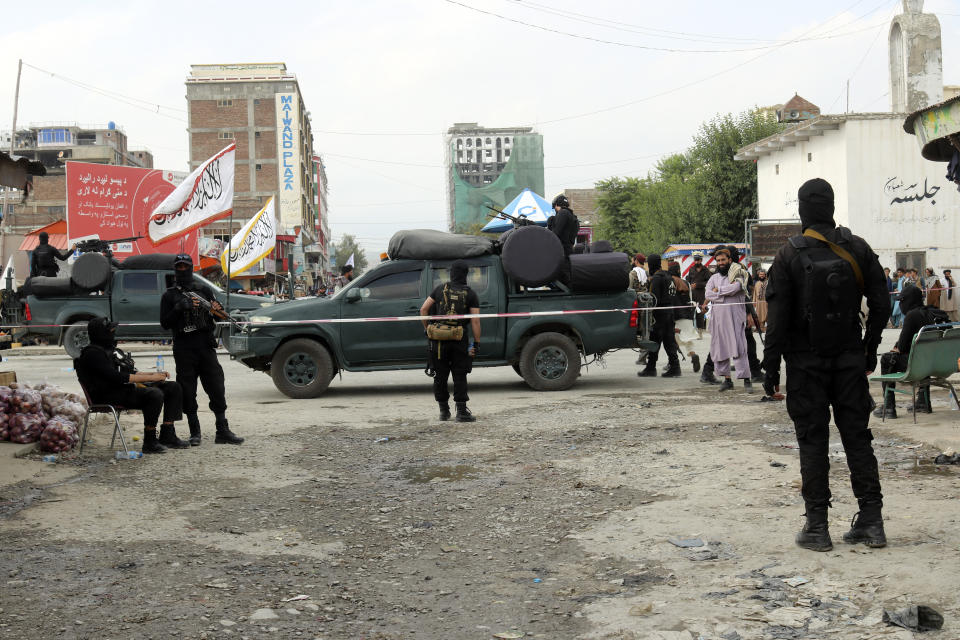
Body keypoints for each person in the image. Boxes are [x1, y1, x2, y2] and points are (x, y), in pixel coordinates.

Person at [762, 178, 890, 552]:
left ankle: (817, 526)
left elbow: (777, 321)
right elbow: (881, 306)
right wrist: (869, 350)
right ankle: (872, 521)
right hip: (850, 361)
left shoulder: (788, 255)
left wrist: (770, 371)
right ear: (832, 206)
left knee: (812, 441)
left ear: (802, 210)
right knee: (857, 438)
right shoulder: (858, 247)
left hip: (805, 366)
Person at [160, 253, 243, 446]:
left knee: (216, 387)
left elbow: (220, 318)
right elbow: (165, 323)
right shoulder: (169, 295)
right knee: (188, 391)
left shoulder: (204, 290)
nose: (182, 270)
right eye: (178, 267)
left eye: (185, 266)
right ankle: (194, 432)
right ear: (175, 269)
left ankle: (222, 430)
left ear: (191, 268)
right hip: (184, 349)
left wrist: (217, 309)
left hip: (205, 347)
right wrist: (179, 307)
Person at [74, 317, 186, 454]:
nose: (113, 334)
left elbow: (130, 372)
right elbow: (118, 377)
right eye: (110, 331)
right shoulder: (92, 354)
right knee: (154, 394)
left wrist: (154, 375)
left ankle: (168, 434)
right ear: (101, 333)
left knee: (172, 387)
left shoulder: (109, 350)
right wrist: (149, 378)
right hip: (107, 395)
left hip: (122, 390)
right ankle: (149, 441)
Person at [874, 283, 948, 418]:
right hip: (937, 363)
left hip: (919, 364)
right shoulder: (934, 313)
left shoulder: (912, 315)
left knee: (887, 359)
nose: (901, 305)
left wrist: (897, 349)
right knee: (923, 355)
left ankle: (889, 406)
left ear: (907, 301)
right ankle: (923, 402)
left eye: (902, 301)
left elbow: (901, 347)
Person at [420, 259, 481, 422]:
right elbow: (475, 321)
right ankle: (461, 412)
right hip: (459, 340)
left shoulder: (440, 289)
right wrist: (476, 343)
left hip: (438, 342)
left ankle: (443, 412)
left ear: (451, 273)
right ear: (466, 275)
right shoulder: (470, 293)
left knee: (440, 376)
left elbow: (423, 309)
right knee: (459, 374)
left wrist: (427, 330)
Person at [704, 248, 752, 392]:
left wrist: (717, 291)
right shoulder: (713, 278)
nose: (721, 263)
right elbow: (708, 294)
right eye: (718, 261)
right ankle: (727, 380)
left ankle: (746, 380)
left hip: (735, 319)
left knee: (740, 349)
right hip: (718, 321)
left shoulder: (739, 274)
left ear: (729, 260)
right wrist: (723, 291)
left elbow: (736, 288)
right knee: (720, 350)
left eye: (723, 260)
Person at [638, 254, 681, 378]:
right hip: (669, 311)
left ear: (651, 264)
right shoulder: (669, 276)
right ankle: (672, 367)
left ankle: (653, 367)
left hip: (660, 313)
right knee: (668, 341)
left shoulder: (657, 278)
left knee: (656, 339)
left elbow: (653, 298)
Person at [667, 261, 700, 373]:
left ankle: (671, 362)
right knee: (687, 339)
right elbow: (690, 299)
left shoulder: (668, 282)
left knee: (672, 339)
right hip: (687, 314)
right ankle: (693, 354)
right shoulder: (686, 283)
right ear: (678, 270)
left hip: (674, 315)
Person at [686, 253, 711, 337]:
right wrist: (690, 285)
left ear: (701, 260)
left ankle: (700, 332)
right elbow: (688, 280)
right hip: (692, 294)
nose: (696, 262)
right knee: (691, 312)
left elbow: (708, 282)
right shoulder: (691, 269)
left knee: (700, 313)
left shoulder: (705, 270)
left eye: (698, 260)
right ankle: (692, 332)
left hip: (701, 294)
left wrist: (698, 285)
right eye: (695, 260)